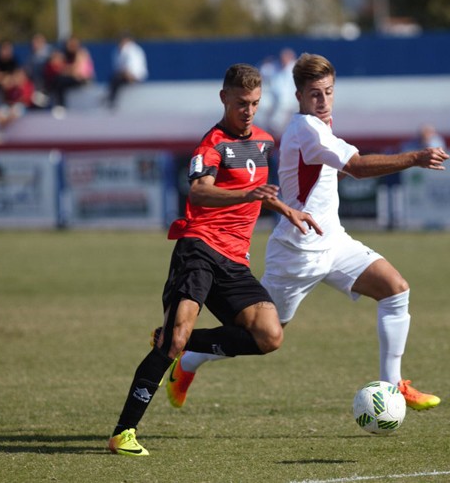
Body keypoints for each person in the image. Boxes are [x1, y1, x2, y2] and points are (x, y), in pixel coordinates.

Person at [168, 53, 450, 412]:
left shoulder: (323, 127)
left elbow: (333, 171)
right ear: (299, 96)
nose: (323, 100)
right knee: (262, 335)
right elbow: (357, 168)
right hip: (297, 252)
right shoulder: (306, 128)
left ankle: (393, 386)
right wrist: (414, 157)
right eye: (315, 94)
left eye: (329, 92)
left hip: (333, 241)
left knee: (395, 290)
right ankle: (190, 357)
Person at [108, 63, 322, 457]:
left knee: (270, 335)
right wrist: (247, 197)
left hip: (235, 260)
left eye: (255, 103)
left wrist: (287, 210)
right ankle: (123, 432)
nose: (249, 111)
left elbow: (259, 190)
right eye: (241, 103)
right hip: (199, 249)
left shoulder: (264, 141)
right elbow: (198, 193)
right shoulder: (212, 144)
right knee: (174, 340)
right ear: (224, 98)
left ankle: (179, 342)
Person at [106, 34, 148, 109]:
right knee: (114, 78)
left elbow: (133, 65)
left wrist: (130, 75)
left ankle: (111, 100)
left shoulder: (132, 49)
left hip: (134, 75)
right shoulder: (118, 50)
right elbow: (118, 67)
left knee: (116, 80)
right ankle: (110, 98)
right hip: (126, 74)